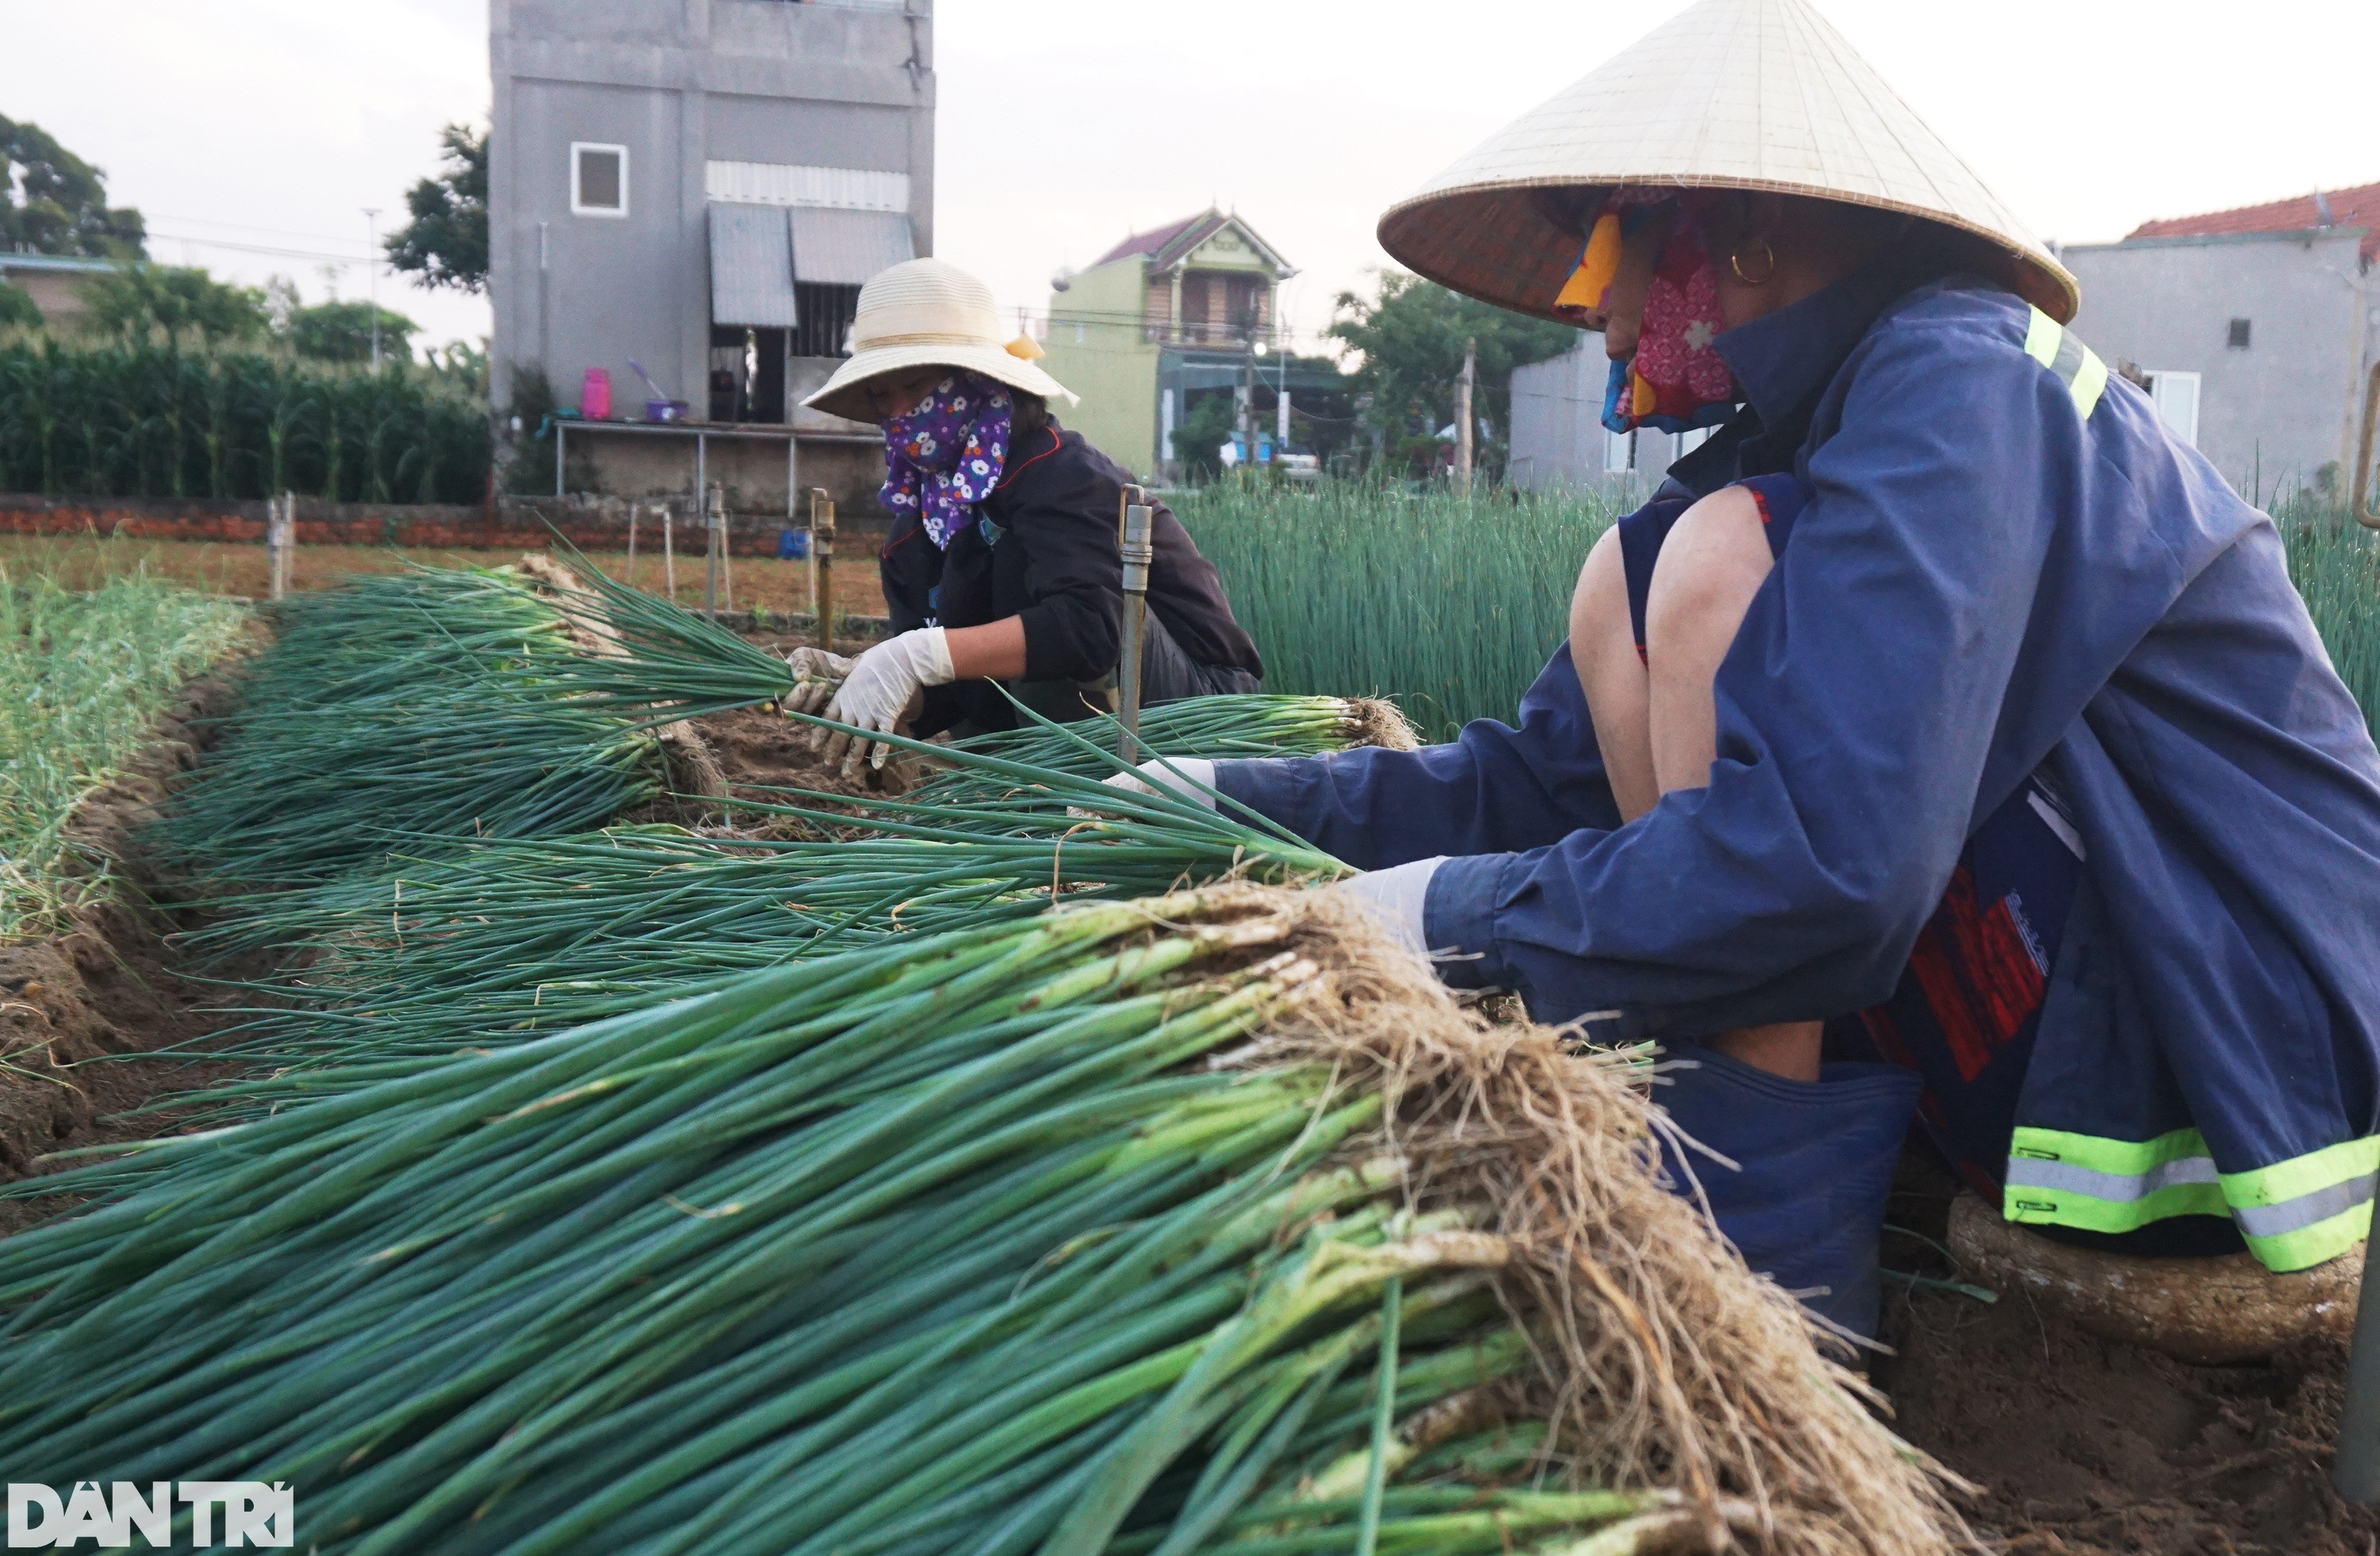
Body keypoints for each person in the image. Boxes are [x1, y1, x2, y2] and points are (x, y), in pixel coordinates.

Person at [1119, 0, 2380, 1347]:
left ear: (1740, 235)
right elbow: (1546, 782)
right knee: (1637, 574)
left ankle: (1769, 1281)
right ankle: (1759, 1147)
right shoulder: (1822, 427)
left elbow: (1826, 874)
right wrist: (1209, 800)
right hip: (2073, 1007)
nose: (1601, 321)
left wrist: (1439, 924)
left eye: (1608, 248)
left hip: (2220, 1061)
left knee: (1713, 566)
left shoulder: (1960, 382)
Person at [788, 259, 1264, 773]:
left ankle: (1098, 795)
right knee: (966, 659)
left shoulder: (1065, 473)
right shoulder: (915, 536)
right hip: (1059, 721)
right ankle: (1037, 800)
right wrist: (862, 681)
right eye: (883, 396)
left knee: (1019, 572)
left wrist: (919, 653)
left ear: (976, 382)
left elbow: (1090, 629)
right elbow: (954, 695)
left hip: (1198, 716)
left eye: (918, 385)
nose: (901, 411)